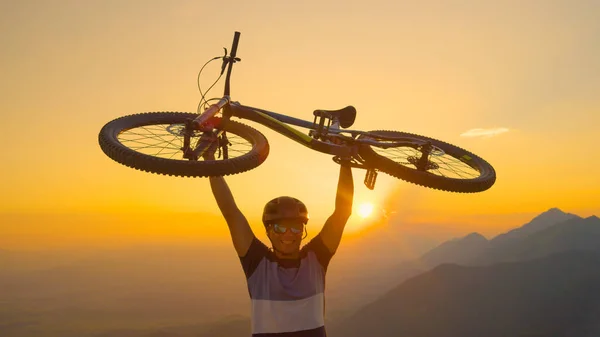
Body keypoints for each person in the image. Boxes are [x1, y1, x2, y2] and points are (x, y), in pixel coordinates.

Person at [206, 152, 354, 337]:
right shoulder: (257, 261)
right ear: (268, 231)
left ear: (303, 230)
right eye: (279, 227)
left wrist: (346, 161)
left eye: (295, 227)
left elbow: (342, 212)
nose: (288, 234)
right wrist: (209, 158)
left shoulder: (316, 257)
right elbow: (230, 211)